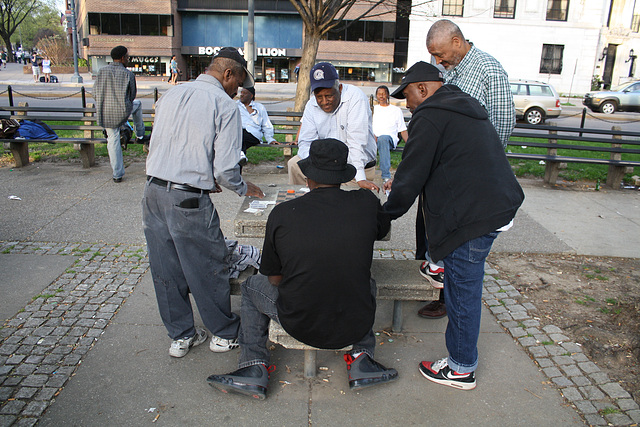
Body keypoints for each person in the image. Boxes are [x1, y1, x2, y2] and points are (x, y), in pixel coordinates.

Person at [207, 138, 397, 399]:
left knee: (251, 286)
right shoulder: (366, 202)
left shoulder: (283, 214)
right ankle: (362, 358)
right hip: (354, 320)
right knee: (367, 282)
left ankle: (253, 365)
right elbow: (381, 228)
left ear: (308, 178)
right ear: (343, 176)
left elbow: (273, 279)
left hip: (299, 320)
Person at [381, 61, 524, 390]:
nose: (407, 105)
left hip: (475, 217)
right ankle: (438, 265)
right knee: (440, 224)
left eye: (408, 97)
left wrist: (384, 216)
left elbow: (412, 173)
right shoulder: (461, 105)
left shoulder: (430, 115)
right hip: (495, 202)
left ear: (423, 89)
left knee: (463, 294)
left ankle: (461, 368)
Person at [143, 47, 264, 359]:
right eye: (238, 82)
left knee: (165, 268)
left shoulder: (172, 94)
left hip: (153, 191)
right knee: (207, 266)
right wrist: (242, 186)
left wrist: (200, 175)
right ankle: (223, 334)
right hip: (187, 200)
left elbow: (167, 145)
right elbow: (226, 169)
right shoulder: (224, 104)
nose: (239, 89)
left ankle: (181, 336)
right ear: (228, 74)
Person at [419, 19, 517, 319]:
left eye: (440, 53)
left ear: (457, 41)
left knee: (462, 243)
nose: (438, 60)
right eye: (434, 56)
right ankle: (441, 291)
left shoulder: (488, 69)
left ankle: (452, 299)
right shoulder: (448, 73)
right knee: (435, 229)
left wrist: (479, 166)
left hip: (474, 179)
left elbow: (502, 123)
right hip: (448, 175)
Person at [288, 62, 379, 192]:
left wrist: (360, 177)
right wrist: (314, 172)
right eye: (319, 97)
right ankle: (301, 206)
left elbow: (357, 143)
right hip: (324, 165)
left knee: (342, 208)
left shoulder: (356, 98)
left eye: (329, 96)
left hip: (352, 165)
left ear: (340, 88)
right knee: (294, 165)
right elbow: (305, 142)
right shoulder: (311, 105)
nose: (324, 102)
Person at [93, 45, 148, 182]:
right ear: (123, 58)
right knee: (138, 105)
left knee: (113, 140)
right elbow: (132, 96)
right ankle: (140, 134)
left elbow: (95, 93)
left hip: (104, 112)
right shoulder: (128, 74)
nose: (128, 59)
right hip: (123, 111)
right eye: (128, 57)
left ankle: (117, 175)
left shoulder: (101, 71)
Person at [372, 85, 408, 183]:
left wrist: (409, 145)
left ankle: (386, 176)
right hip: (373, 139)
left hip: (389, 139)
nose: (381, 96)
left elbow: (403, 130)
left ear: (388, 95)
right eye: (379, 94)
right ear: (376, 96)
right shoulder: (373, 109)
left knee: (383, 139)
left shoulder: (396, 110)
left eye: (384, 94)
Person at [236, 86, 279, 154]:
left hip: (253, 135)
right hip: (238, 133)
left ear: (251, 96)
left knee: (238, 140)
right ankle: (241, 156)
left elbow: (266, 125)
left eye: (245, 93)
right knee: (238, 138)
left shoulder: (259, 107)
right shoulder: (235, 106)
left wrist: (270, 139)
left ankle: (240, 155)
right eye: (241, 93)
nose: (242, 95)